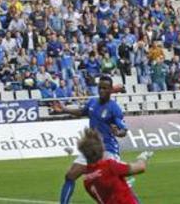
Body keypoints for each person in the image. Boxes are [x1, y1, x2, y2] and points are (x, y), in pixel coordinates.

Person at [53, 76, 128, 204]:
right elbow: (82, 112)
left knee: (113, 186)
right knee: (70, 175)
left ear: (110, 90)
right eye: (100, 88)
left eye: (105, 88)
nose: (101, 91)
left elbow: (124, 130)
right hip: (91, 149)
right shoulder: (92, 102)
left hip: (107, 150)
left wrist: (117, 132)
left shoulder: (114, 108)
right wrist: (64, 109)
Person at [77, 128, 153, 204]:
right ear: (102, 149)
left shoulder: (86, 179)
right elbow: (141, 167)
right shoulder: (109, 166)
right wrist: (142, 157)